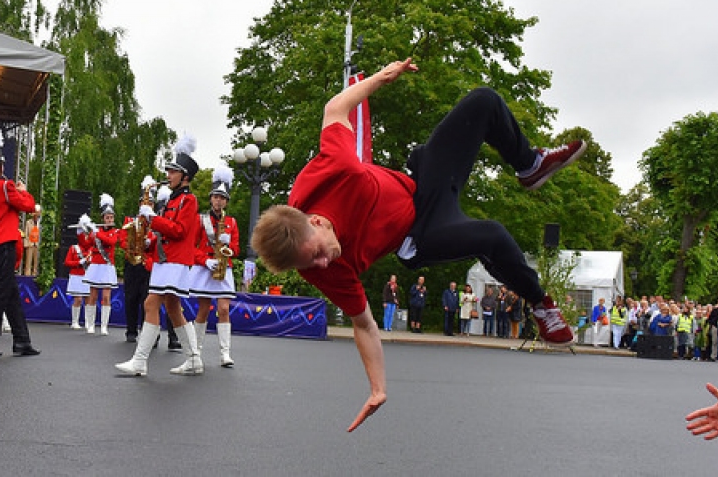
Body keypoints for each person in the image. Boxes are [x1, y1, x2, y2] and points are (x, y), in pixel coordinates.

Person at [249, 57, 583, 432]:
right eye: (310, 267)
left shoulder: (331, 170)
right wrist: (377, 388)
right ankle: (541, 305)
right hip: (419, 236)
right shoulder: (325, 273)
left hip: (423, 183)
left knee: (483, 101)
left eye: (318, 255)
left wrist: (381, 76)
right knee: (491, 235)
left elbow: (335, 108)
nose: (323, 267)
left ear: (317, 222)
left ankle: (529, 165)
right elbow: (363, 326)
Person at [115, 135, 202, 376]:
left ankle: (140, 361)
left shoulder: (189, 200)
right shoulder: (173, 201)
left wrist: (153, 218)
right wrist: (148, 242)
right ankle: (194, 358)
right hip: (167, 260)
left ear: (185, 176)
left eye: (173, 171)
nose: (168, 174)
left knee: (151, 303)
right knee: (173, 308)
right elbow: (165, 234)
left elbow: (179, 231)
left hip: (175, 262)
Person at [0, 124, 39, 356]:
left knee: (10, 294)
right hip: (4, 244)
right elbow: (29, 206)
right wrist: (23, 190)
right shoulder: (5, 186)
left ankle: (22, 340)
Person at [190, 166, 239, 367]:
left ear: (226, 201)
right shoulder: (200, 220)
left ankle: (224, 354)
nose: (218, 200)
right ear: (211, 198)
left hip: (223, 268)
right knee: (203, 310)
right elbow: (191, 247)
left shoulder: (232, 222)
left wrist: (228, 248)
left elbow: (236, 249)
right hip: (205, 267)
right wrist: (205, 260)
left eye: (222, 198)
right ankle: (196, 352)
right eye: (216, 197)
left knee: (224, 309)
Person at [119, 176, 157, 343]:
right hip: (132, 262)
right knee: (131, 298)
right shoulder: (130, 221)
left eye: (150, 203)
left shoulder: (156, 223)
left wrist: (151, 241)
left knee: (147, 300)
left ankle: (148, 332)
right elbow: (121, 239)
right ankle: (131, 330)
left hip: (148, 264)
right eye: (144, 203)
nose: (147, 206)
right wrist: (131, 243)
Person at [79, 194, 119, 336]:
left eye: (111, 217)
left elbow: (112, 242)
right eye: (107, 217)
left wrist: (96, 233)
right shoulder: (96, 231)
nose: (109, 220)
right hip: (96, 265)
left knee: (107, 297)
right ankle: (90, 324)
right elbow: (85, 244)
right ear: (103, 219)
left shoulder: (115, 231)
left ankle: (104, 326)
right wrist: (82, 230)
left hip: (107, 266)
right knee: (92, 296)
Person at [63, 224, 91, 330]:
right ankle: (75, 321)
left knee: (88, 299)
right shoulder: (74, 248)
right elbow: (67, 262)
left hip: (87, 275)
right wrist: (79, 262)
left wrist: (89, 262)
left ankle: (88, 322)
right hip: (76, 275)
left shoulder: (91, 250)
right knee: (78, 299)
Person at [22, 211, 40, 276]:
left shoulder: (40, 223)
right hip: (30, 244)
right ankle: (27, 275)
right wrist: (26, 244)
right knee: (28, 262)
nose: (36, 216)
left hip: (37, 244)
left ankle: (35, 275)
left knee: (36, 262)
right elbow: (26, 234)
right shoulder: (28, 222)